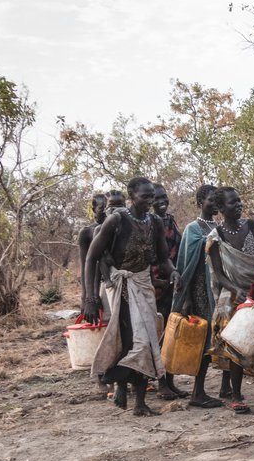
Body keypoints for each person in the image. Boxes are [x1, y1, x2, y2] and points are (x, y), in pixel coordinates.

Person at [83, 176, 178, 416]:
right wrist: (90, 299)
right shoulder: (117, 220)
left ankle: (139, 402)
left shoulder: (154, 222)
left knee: (147, 343)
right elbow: (91, 258)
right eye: (145, 197)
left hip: (143, 285)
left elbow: (163, 257)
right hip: (122, 286)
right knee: (131, 341)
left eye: (152, 197)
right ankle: (118, 382)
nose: (150, 201)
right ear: (131, 196)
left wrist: (174, 273)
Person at [207, 186, 254, 415]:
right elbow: (219, 274)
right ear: (220, 208)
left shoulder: (251, 226)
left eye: (239, 201)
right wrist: (234, 289)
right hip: (233, 293)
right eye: (232, 203)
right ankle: (236, 395)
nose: (238, 205)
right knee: (238, 344)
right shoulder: (215, 237)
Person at [173, 185, 229, 408]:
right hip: (199, 292)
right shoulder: (192, 229)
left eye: (217, 201)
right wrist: (186, 298)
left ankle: (226, 386)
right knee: (204, 340)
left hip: (221, 289)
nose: (214, 205)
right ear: (199, 203)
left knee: (224, 336)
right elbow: (186, 265)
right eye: (210, 201)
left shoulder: (222, 226)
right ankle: (198, 392)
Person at [150, 184, 186, 400]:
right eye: (156, 198)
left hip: (171, 283)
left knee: (170, 335)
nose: (162, 201)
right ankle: (160, 383)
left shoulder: (169, 221)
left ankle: (169, 382)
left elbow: (177, 249)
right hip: (152, 285)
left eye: (164, 197)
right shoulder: (149, 222)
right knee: (156, 336)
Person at [77, 192, 108, 311]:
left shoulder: (119, 228)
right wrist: (87, 298)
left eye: (108, 207)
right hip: (98, 286)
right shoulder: (87, 232)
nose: (105, 211)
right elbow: (85, 266)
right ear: (94, 209)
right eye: (101, 208)